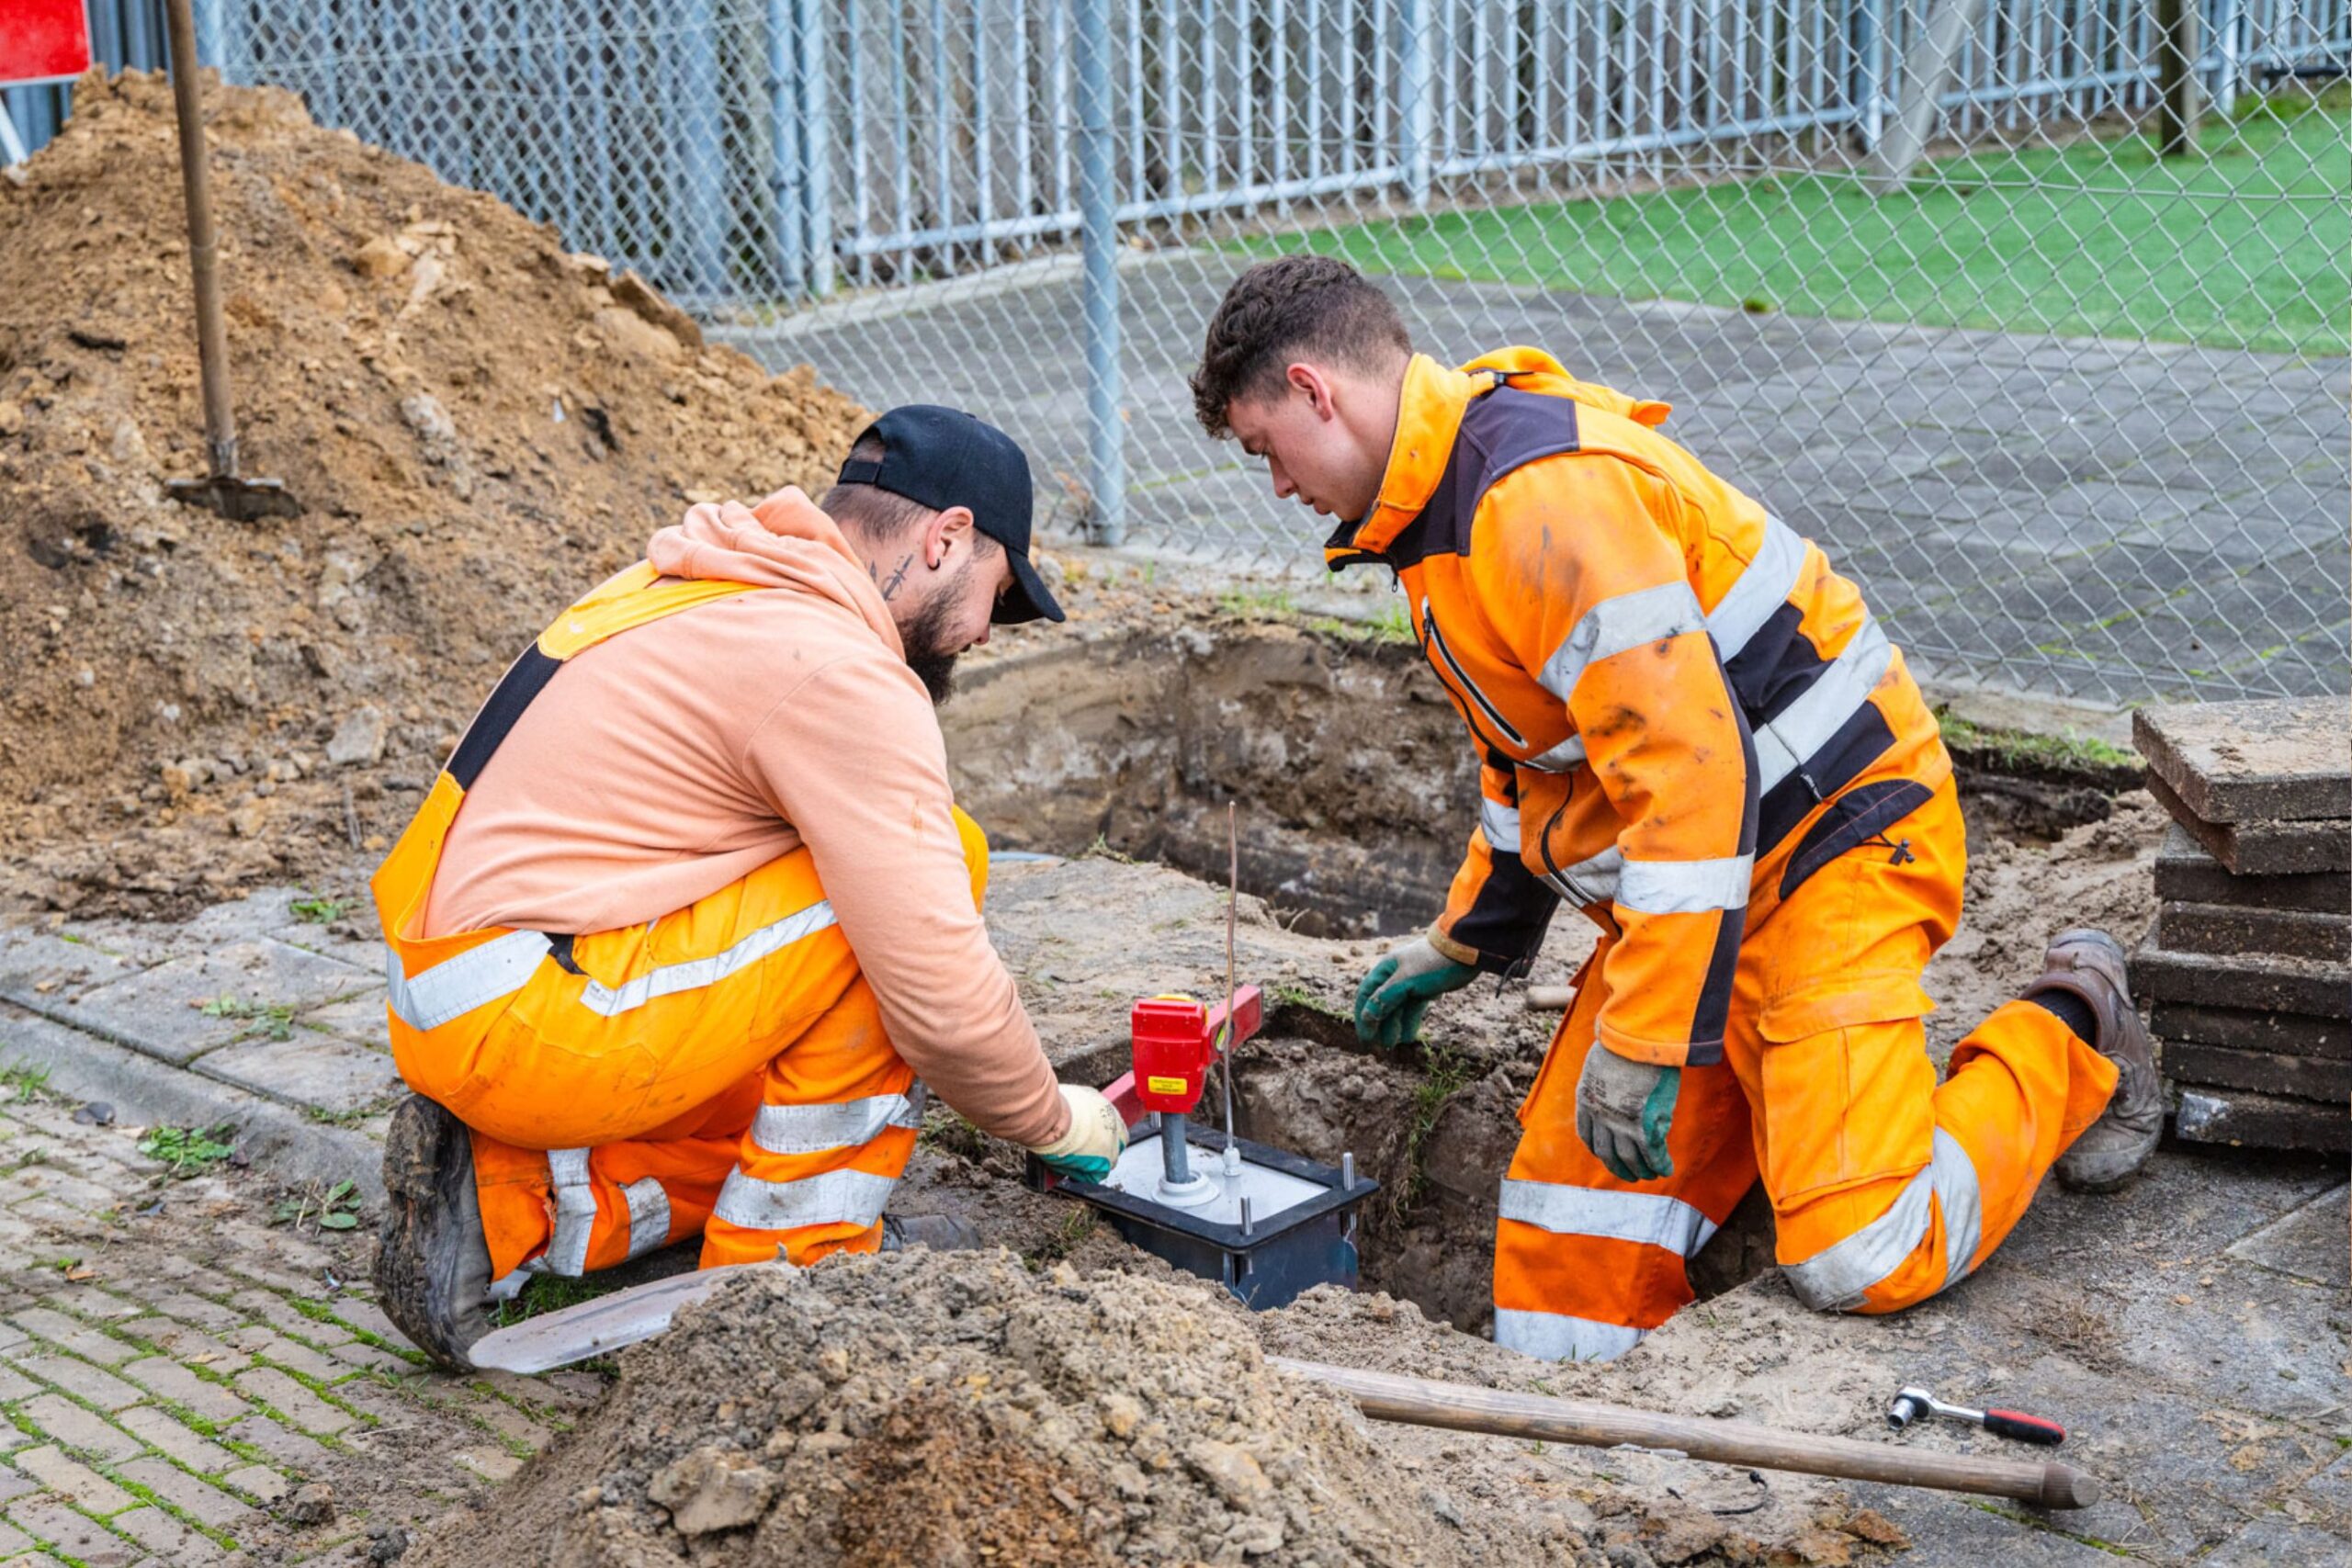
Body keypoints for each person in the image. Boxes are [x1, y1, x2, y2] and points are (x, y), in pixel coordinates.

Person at [1188, 256, 2160, 1359]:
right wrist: (1465, 939)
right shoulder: (1434, 522)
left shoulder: (1536, 505)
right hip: (1706, 901)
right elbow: (1538, 761)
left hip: (1834, 851)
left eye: (1267, 447)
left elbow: (1693, 790)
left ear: (1316, 390)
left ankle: (2076, 1026)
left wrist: (1649, 1040)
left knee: (1861, 1254)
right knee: (1561, 1278)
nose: (1275, 486)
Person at [369, 405, 1127, 1368]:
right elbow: (939, 992)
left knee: (787, 1089)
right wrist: (1053, 1120)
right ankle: (790, 1276)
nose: (983, 634)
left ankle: (500, 1205)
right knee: (910, 897)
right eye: (997, 595)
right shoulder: (833, 668)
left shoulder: (713, 584)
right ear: (948, 539)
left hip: (470, 994)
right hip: (531, 1017)